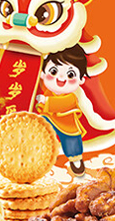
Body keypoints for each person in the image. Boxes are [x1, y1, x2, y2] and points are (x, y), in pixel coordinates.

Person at [35, 44, 89, 176]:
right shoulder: (47, 92)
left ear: (81, 80)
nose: (61, 78)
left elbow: (63, 103)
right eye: (53, 71)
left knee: (71, 139)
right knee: (40, 133)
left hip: (66, 123)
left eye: (70, 74)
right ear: (43, 74)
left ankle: (75, 159)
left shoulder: (71, 97)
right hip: (48, 118)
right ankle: (41, 158)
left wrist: (46, 101)